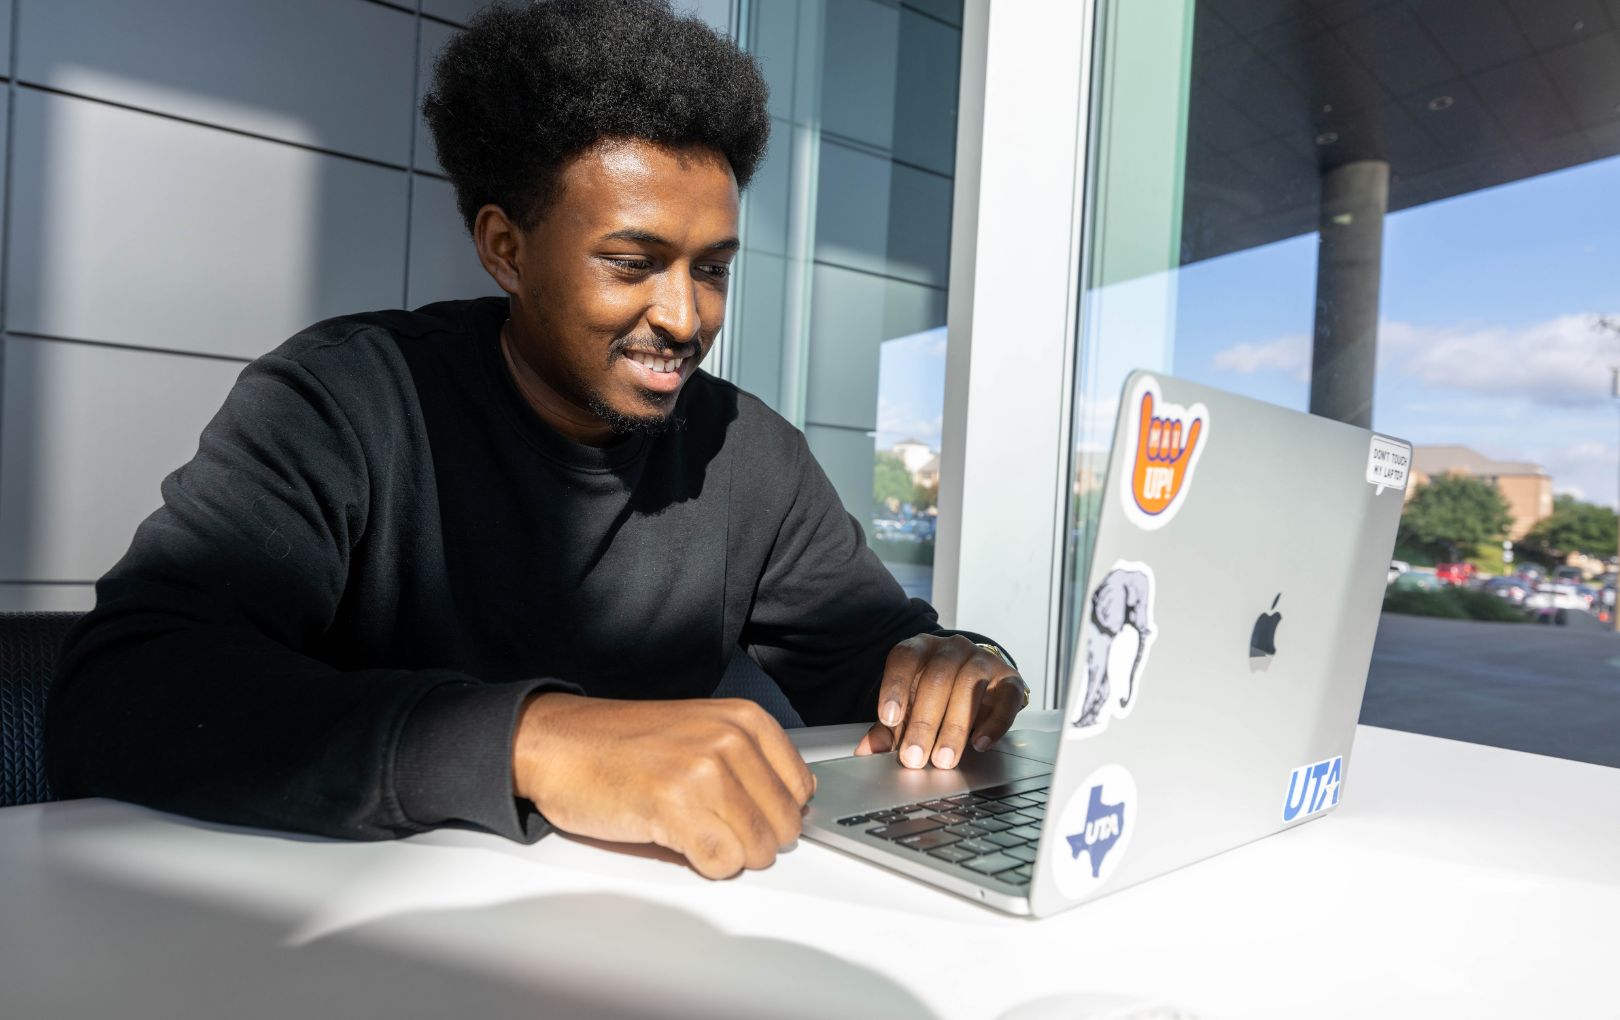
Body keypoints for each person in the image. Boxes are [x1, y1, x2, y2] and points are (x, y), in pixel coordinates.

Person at [45, 0, 1025, 880]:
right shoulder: (346, 402)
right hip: (341, 931)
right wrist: (535, 741)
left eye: (712, 269)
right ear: (506, 249)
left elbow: (875, 653)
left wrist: (951, 666)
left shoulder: (746, 451)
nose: (685, 317)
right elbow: (120, 693)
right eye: (632, 263)